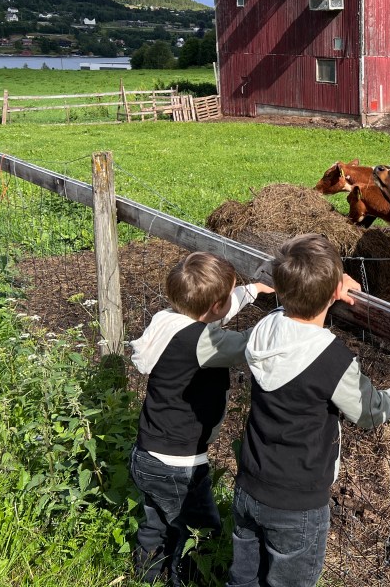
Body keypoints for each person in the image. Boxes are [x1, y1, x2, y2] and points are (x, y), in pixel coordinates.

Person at [226, 234, 390, 587]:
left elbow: (286, 315)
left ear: (280, 289)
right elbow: (368, 410)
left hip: (249, 488)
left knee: (243, 579)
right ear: (332, 295)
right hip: (298, 504)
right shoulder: (331, 359)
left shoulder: (262, 332)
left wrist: (325, 286)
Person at [129, 251, 276, 586]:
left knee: (156, 520)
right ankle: (188, 578)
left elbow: (214, 311)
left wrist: (250, 291)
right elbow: (246, 345)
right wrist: (285, 319)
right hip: (178, 463)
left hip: (147, 452)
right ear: (214, 307)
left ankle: (146, 575)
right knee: (199, 528)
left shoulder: (169, 319)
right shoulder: (204, 342)